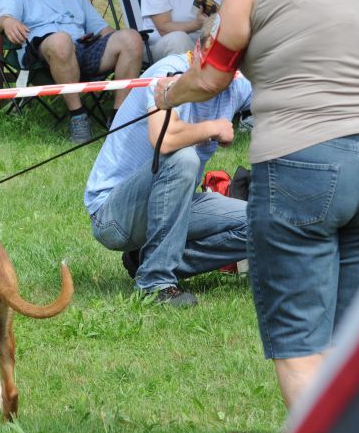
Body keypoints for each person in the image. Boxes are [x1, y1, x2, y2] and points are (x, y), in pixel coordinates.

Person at [155, 0, 359, 406]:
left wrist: (170, 92)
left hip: (301, 164)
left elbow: (214, 73)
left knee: (300, 343)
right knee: (350, 340)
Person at [84, 33, 252, 307]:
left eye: (230, 65)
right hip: (113, 215)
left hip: (174, 203)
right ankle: (154, 284)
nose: (221, 74)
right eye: (216, 61)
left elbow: (282, 97)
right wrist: (213, 128)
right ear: (198, 50)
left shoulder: (236, 83)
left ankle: (148, 260)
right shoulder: (167, 74)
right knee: (183, 157)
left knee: (264, 223)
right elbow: (165, 140)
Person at [0, 0, 144, 143]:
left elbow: (104, 30)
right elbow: (2, 20)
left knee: (131, 38)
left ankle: (118, 118)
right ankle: (78, 116)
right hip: (44, 56)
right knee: (61, 40)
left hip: (84, 50)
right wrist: (8, 22)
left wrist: (111, 41)